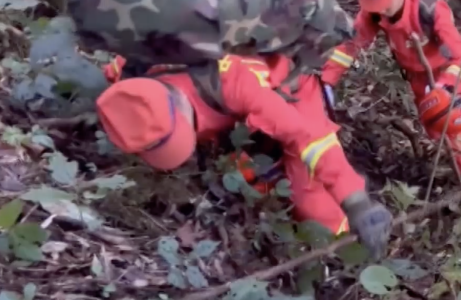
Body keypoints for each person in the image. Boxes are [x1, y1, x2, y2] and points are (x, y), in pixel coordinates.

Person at [98, 53, 393, 258]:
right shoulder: (136, 70)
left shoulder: (237, 85)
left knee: (312, 205)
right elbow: (114, 83)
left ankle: (345, 254)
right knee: (250, 179)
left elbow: (308, 139)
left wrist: (355, 201)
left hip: (293, 93)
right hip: (240, 119)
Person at [323, 0, 461, 198]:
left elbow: (459, 57)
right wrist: (327, 80)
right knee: (435, 131)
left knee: (459, 136)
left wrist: (446, 87)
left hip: (447, 77)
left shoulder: (430, 10)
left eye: (384, 3)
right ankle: (454, 166)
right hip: (418, 79)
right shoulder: (374, 15)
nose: (380, 9)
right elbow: (351, 45)